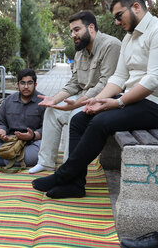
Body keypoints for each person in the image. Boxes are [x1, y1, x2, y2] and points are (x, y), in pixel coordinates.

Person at [33, 0, 158, 199]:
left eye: (118, 16)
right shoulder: (128, 39)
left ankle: (63, 176)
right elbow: (118, 78)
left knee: (101, 123)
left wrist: (117, 103)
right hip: (137, 102)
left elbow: (154, 80)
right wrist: (96, 101)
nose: (116, 22)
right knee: (80, 118)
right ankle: (75, 185)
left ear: (136, 7)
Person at [29, 10, 121, 174]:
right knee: (52, 111)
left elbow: (105, 84)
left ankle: (68, 169)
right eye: (71, 31)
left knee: (75, 116)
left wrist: (77, 103)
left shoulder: (111, 45)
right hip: (84, 98)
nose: (72, 34)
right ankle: (46, 162)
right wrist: (55, 99)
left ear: (91, 27)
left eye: (76, 29)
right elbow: (74, 83)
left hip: (105, 101)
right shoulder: (80, 51)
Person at [0, 68, 46, 168]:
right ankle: (15, 159)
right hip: (10, 140)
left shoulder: (43, 101)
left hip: (32, 142)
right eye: (22, 83)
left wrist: (32, 135)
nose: (26, 87)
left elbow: (47, 129)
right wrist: (1, 132)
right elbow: (0, 122)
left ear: (35, 84)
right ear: (18, 85)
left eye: (29, 83)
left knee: (41, 152)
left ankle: (2, 161)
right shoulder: (8, 101)